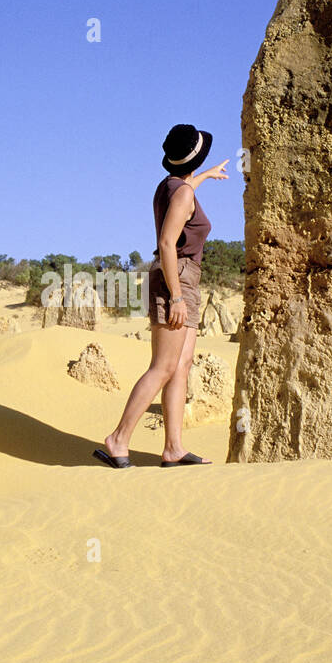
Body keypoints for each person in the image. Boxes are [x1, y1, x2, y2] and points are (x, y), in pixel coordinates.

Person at [93, 124, 229, 468]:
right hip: (177, 277)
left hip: (185, 278)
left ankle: (174, 448)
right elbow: (168, 244)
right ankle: (118, 438)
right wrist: (177, 297)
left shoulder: (172, 187)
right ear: (195, 158)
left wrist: (206, 177)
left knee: (181, 366)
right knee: (163, 366)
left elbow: (185, 194)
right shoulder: (182, 193)